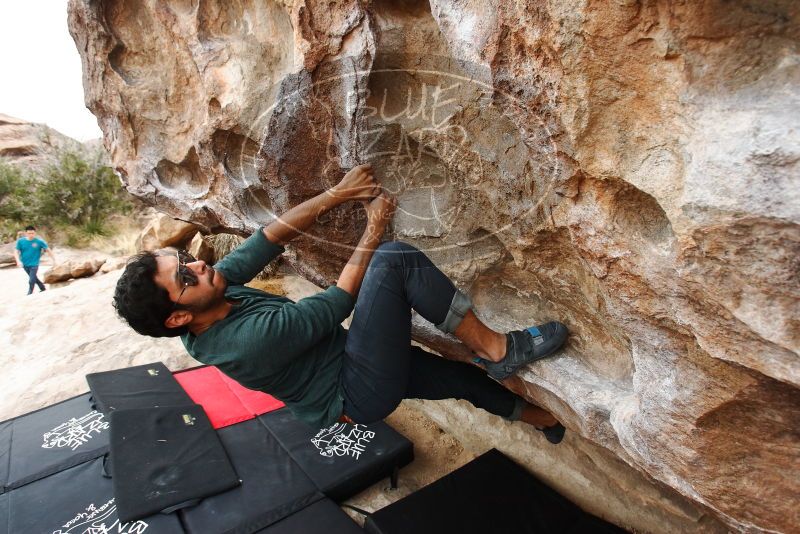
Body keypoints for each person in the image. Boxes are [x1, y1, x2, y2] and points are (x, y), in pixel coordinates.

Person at [113, 164, 570, 443]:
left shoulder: (212, 294)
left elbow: (269, 238)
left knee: (458, 379)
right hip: (356, 391)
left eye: (185, 259)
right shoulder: (240, 343)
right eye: (183, 276)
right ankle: (499, 350)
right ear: (177, 316)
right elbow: (335, 304)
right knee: (393, 261)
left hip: (349, 364)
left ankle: (541, 419)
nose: (196, 265)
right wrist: (376, 224)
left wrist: (337, 195)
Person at [15, 225, 56, 295]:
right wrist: (18, 261)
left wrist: (54, 260)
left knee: (31, 280)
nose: (31, 235)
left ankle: (30, 293)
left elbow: (48, 250)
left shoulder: (39, 242)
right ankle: (42, 287)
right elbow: (16, 251)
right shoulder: (20, 241)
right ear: (26, 233)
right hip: (24, 264)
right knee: (34, 278)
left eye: (32, 233)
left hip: (34, 264)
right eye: (29, 233)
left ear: (35, 233)